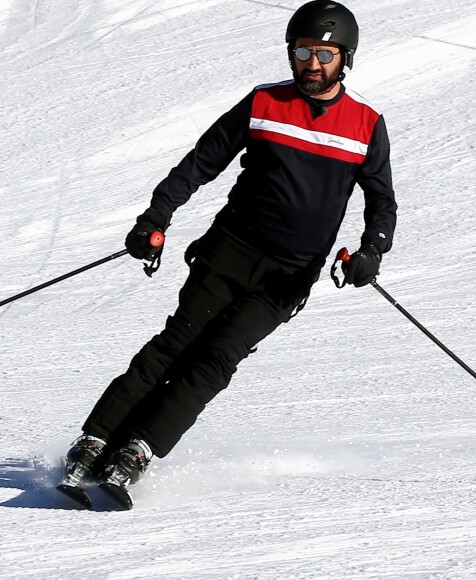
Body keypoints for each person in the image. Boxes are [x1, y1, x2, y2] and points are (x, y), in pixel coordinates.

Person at [61, 0, 397, 494]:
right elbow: (201, 161)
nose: (311, 65)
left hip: (288, 276)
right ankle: (93, 442)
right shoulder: (264, 103)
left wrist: (372, 251)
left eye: (323, 54)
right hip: (229, 249)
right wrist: (156, 217)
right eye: (302, 52)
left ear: (346, 58)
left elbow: (382, 201)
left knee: (216, 361)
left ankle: (137, 449)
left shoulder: (366, 124)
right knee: (177, 343)